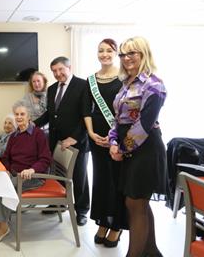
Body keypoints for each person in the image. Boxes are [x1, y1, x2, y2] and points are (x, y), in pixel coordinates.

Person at [109, 37, 167, 257]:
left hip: (146, 149)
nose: (126, 59)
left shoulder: (154, 84)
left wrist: (122, 148)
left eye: (132, 53)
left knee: (135, 202)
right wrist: (114, 142)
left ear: (143, 54)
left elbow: (144, 124)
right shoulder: (126, 84)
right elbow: (118, 119)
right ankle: (152, 252)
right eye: (123, 54)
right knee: (137, 203)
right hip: (128, 147)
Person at [34, 56, 91, 226]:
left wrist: (74, 137)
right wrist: (33, 125)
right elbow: (50, 115)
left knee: (79, 177)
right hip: (56, 140)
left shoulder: (83, 85)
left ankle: (81, 210)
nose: (58, 74)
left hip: (77, 141)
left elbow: (87, 115)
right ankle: (58, 203)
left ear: (69, 68)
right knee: (58, 173)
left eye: (60, 70)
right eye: (54, 71)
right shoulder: (51, 89)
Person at [0, 102, 51, 245]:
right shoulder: (14, 135)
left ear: (29, 117)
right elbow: (6, 157)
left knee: (4, 188)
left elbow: (45, 159)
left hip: (33, 175)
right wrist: (7, 170)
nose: (19, 117)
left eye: (22, 114)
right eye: (17, 114)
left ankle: (3, 228)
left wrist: (32, 170)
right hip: (15, 174)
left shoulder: (38, 134)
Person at [84, 39, 127, 247]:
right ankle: (102, 222)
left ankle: (116, 226)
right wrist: (91, 133)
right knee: (100, 181)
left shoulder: (125, 77)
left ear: (116, 53)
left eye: (109, 50)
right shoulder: (91, 79)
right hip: (97, 140)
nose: (104, 54)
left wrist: (114, 138)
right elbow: (86, 109)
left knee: (116, 182)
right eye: (100, 50)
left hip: (118, 140)